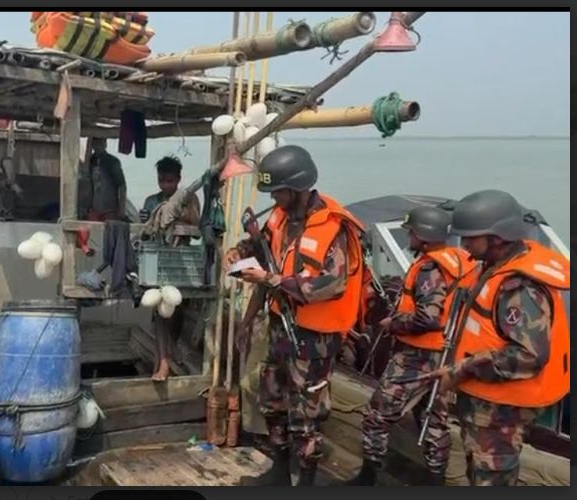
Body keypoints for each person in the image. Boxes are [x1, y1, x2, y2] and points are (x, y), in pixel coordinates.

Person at [227, 145, 366, 486]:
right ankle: (278, 471)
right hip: (280, 328)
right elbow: (262, 248)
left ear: (298, 187)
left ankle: (305, 481)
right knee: (272, 398)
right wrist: (240, 251)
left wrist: (271, 279)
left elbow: (331, 285)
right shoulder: (280, 217)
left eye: (279, 191)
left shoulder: (333, 227)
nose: (274, 198)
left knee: (307, 414)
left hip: (314, 338)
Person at [422, 189, 570, 486]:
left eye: (471, 238)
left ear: (498, 237)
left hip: (502, 412)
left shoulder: (519, 288)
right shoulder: (492, 268)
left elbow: (528, 356)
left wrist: (461, 369)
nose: (464, 244)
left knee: (491, 478)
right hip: (485, 404)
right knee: (478, 471)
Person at [347, 206, 474, 486]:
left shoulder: (430, 268)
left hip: (417, 356)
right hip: (446, 355)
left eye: (412, 233)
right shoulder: (460, 262)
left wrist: (393, 323)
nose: (409, 238)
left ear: (424, 236)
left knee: (377, 414)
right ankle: (436, 482)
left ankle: (368, 478)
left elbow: (428, 317)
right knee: (434, 421)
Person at [142, 155, 202, 381]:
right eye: (161, 180)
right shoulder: (152, 201)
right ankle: (164, 363)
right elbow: (146, 229)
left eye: (169, 180)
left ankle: (165, 359)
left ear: (178, 179)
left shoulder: (188, 199)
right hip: (157, 264)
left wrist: (177, 214)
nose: (165, 185)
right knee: (160, 313)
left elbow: (196, 226)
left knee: (176, 313)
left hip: (181, 265)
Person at [77, 137, 128, 255]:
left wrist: (122, 209)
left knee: (112, 235)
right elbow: (85, 184)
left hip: (110, 207)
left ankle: (113, 255)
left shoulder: (112, 161)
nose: (98, 145)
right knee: (82, 228)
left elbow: (122, 185)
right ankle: (86, 249)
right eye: (95, 142)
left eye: (100, 142)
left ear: (105, 143)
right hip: (94, 207)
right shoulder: (90, 161)